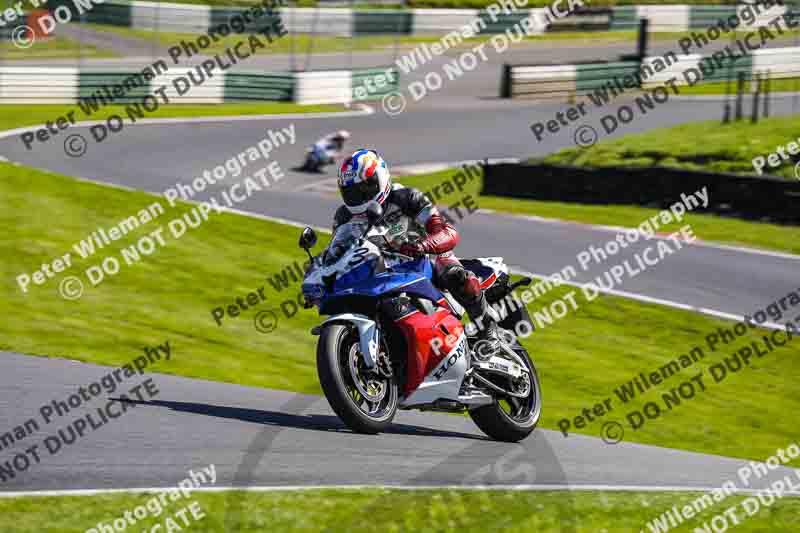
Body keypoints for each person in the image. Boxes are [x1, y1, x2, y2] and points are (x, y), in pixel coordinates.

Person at [331, 148, 502, 355]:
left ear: (380, 178)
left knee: (454, 273)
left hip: (426, 259)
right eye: (351, 192)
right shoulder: (344, 217)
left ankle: (488, 329)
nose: (358, 197)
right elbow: (339, 253)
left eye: (364, 188)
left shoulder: (406, 197)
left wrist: (423, 245)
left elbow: (446, 232)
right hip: (383, 269)